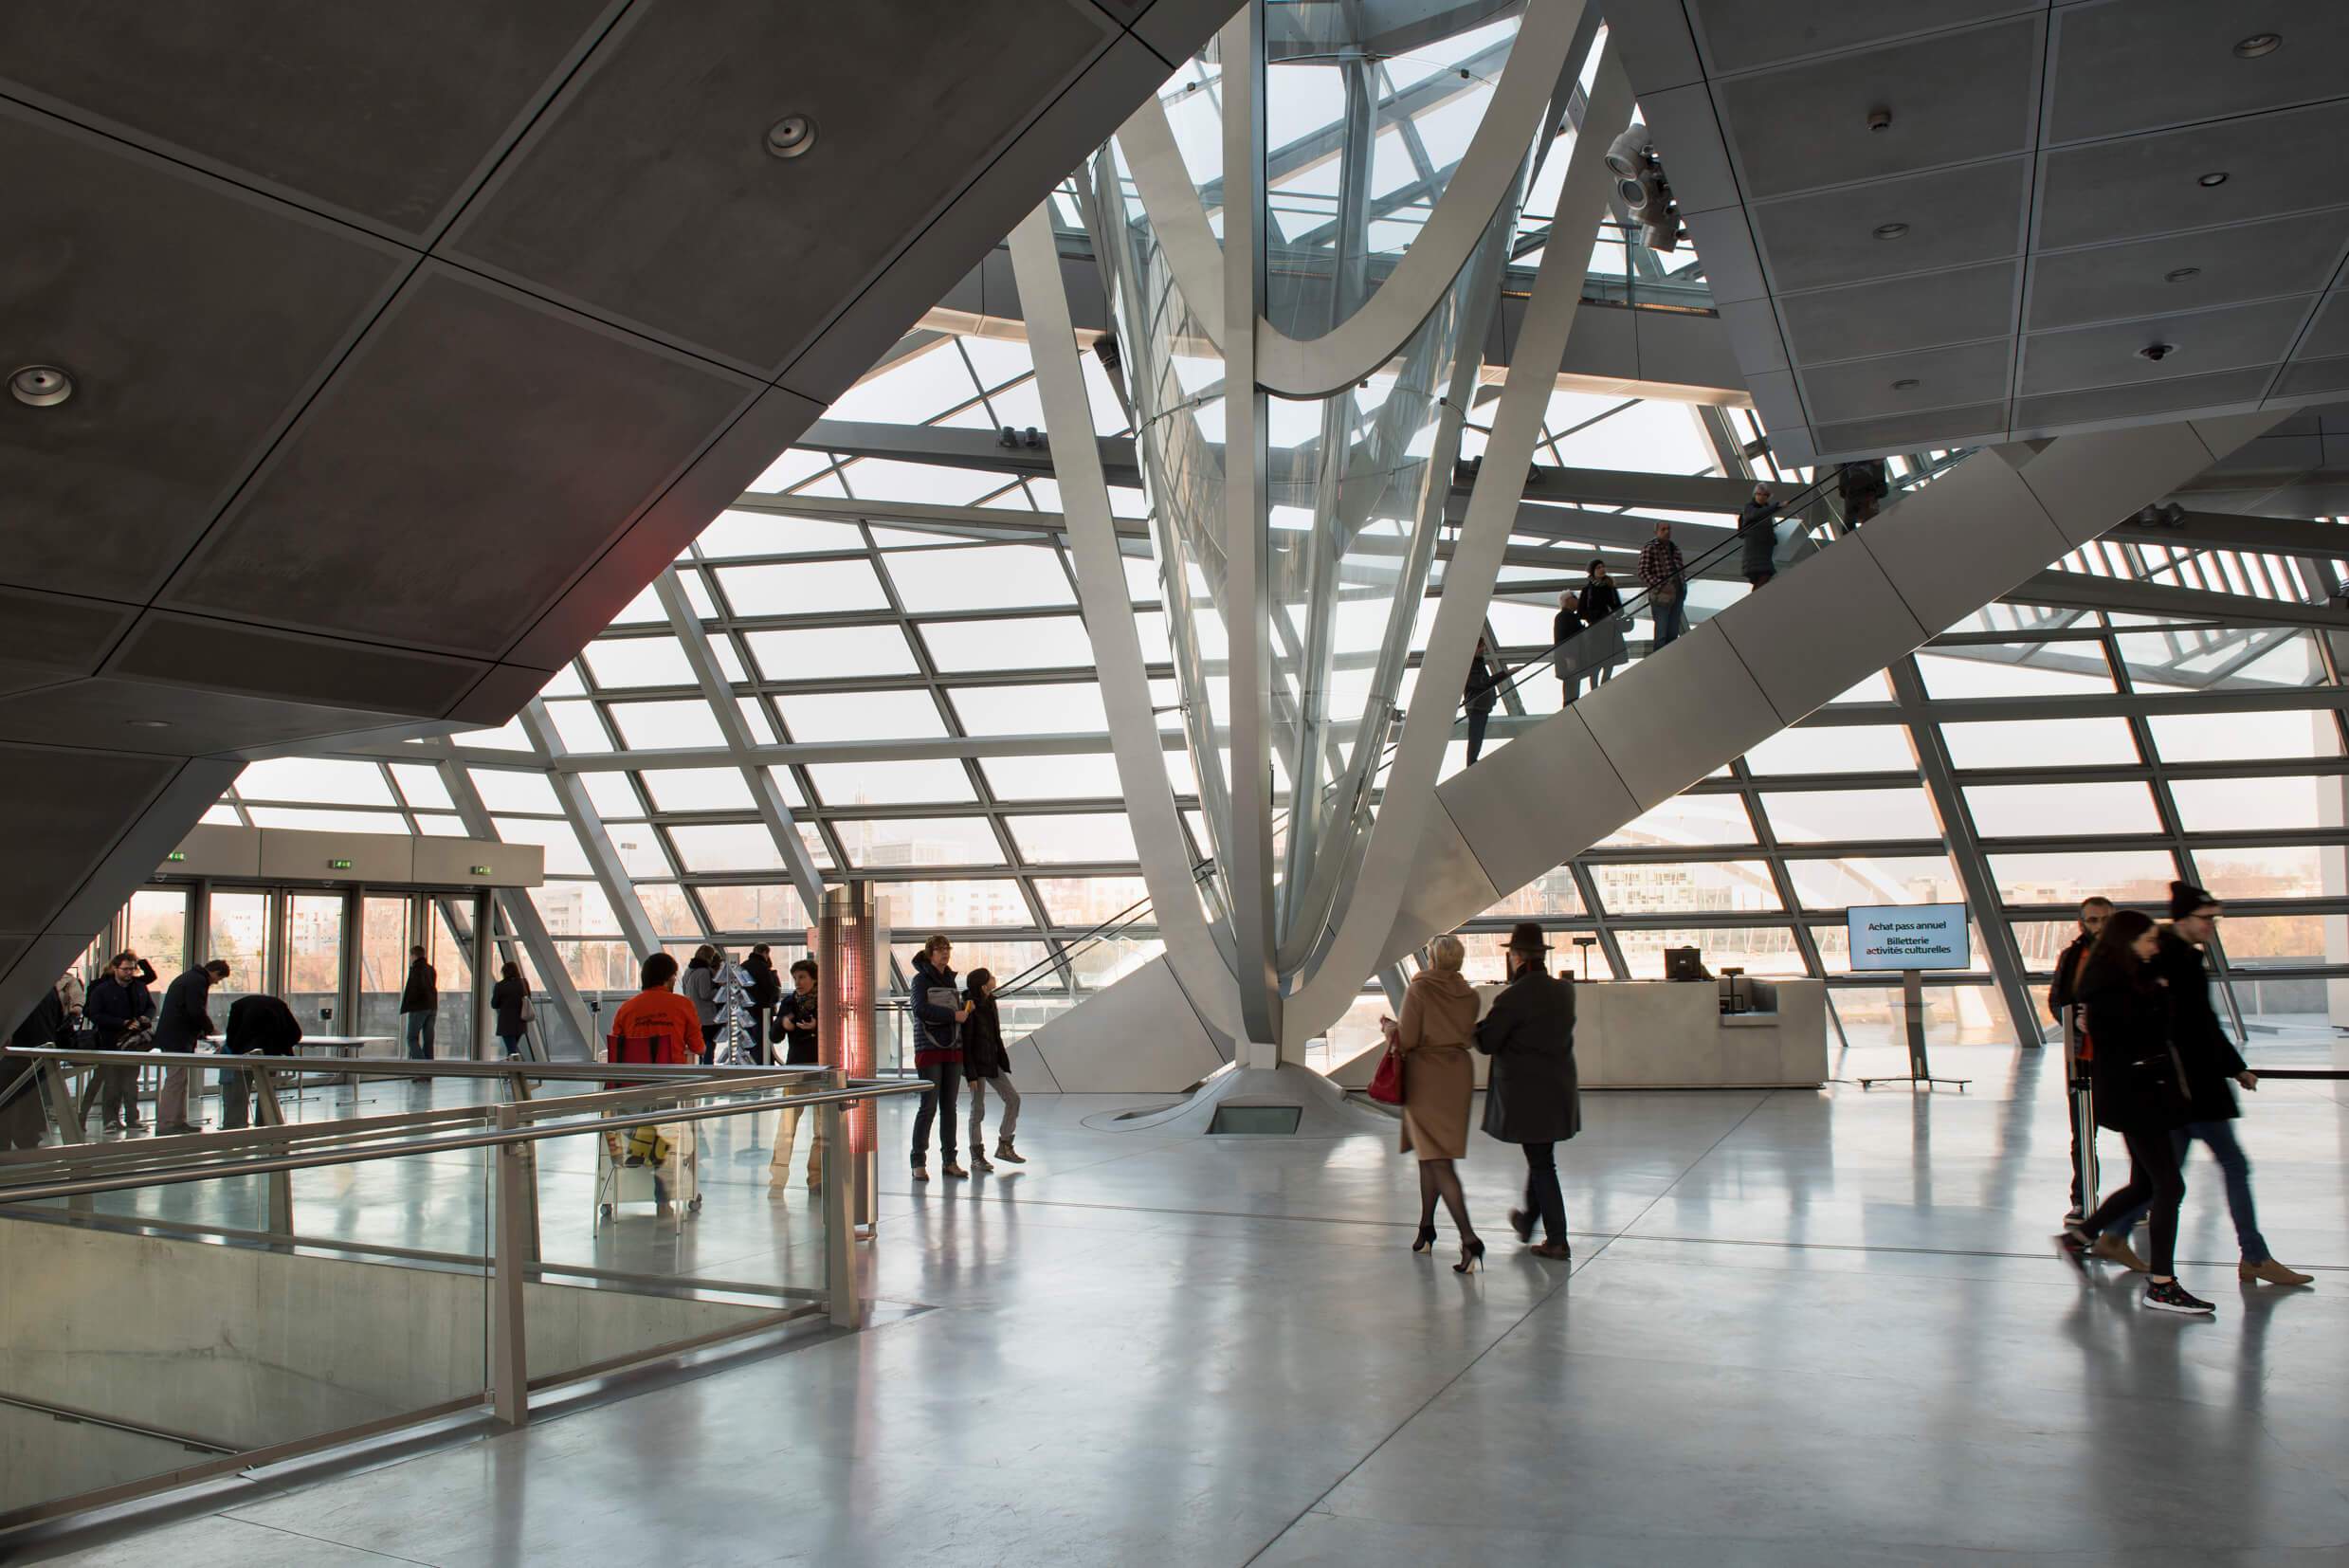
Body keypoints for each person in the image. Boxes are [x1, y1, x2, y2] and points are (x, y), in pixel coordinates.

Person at [2147, 883, 2311, 1287]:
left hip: (2179, 1088)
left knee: (2164, 1179)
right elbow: (2198, 1025)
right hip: (2195, 1090)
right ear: (2184, 918)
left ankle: (2106, 1234)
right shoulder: (2177, 961)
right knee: (2230, 1167)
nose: (2212, 926)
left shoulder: (2174, 956)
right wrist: (2234, 1066)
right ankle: (2253, 1256)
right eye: (2206, 919)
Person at [2055, 910, 2209, 1313]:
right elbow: (2137, 1036)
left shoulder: (2132, 976)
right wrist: (2158, 993)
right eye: (2148, 940)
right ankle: (2162, 1283)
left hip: (2146, 1094)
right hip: (2136, 1098)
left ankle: (2081, 1237)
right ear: (2127, 943)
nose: (2154, 947)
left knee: (2146, 1184)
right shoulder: (2109, 989)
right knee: (2169, 1186)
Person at [1475, 921, 1579, 1266]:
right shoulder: (1565, 991)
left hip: (1528, 1098)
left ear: (1516, 957)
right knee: (1541, 1157)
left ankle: (1558, 1240)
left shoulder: (1513, 997)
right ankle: (1527, 1221)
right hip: (1558, 1091)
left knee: (1542, 1164)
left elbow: (1487, 1042)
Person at [1379, 933, 1481, 1272]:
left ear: (1432, 959)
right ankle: (1426, 1227)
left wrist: (1390, 1028)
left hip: (1427, 1076)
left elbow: (1407, 1039)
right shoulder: (1469, 995)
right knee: (1431, 1154)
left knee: (1439, 1161)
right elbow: (1467, 1036)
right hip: (1458, 1074)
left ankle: (1469, 1239)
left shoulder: (1420, 989)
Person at [606, 952, 703, 1217]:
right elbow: (698, 1046)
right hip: (669, 1083)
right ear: (671, 977)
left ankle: (638, 1143)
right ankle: (663, 1201)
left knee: (645, 1120)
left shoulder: (627, 1008)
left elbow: (618, 1045)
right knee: (667, 1133)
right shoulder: (682, 1005)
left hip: (631, 1088)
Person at [2048, 896, 2115, 1231]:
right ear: (2082, 922)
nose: (2098, 926)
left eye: (2103, 920)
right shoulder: (2072, 957)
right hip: (2081, 1058)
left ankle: (2138, 1198)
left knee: (2138, 1133)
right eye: (2092, 920)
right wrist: (2074, 1020)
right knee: (2083, 1134)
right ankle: (2082, 1198)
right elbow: (2057, 1000)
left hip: (2118, 1058)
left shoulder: (2127, 957)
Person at [908, 935, 970, 1181]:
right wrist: (952, 1015)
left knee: (950, 1107)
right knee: (928, 1106)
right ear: (930, 953)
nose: (945, 953)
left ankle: (950, 1160)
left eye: (947, 949)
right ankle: (918, 1161)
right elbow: (919, 1008)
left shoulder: (950, 980)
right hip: (929, 1048)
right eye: (939, 949)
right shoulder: (920, 980)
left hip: (953, 1047)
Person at [153, 957, 229, 1135]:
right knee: (175, 1081)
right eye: (219, 978)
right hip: (177, 1039)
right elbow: (196, 1011)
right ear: (215, 972)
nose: (217, 982)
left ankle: (178, 1120)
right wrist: (210, 1029)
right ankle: (167, 1123)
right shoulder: (198, 981)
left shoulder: (190, 978)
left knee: (179, 1081)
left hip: (175, 1037)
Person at [770, 958, 825, 1192]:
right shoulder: (789, 1002)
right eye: (795, 978)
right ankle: (777, 1179)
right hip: (796, 1069)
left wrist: (816, 1027)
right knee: (786, 1127)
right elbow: (774, 1037)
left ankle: (816, 1179)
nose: (798, 982)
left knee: (822, 1130)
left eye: (802, 977)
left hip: (822, 1070)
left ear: (815, 979)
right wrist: (783, 1023)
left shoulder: (825, 1002)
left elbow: (838, 1029)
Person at [85, 952, 156, 1132]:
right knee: (112, 1083)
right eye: (125, 969)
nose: (129, 973)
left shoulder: (139, 987)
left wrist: (144, 1018)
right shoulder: (102, 989)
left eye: (132, 969)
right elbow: (95, 1014)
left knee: (131, 1083)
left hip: (134, 1043)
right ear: (115, 969)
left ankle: (133, 1119)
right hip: (110, 1041)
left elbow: (151, 1006)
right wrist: (122, 1022)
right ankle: (111, 1120)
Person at [961, 968, 1023, 1171]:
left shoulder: (990, 1001)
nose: (994, 979)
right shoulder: (970, 1005)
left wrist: (1001, 1057)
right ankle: (976, 1156)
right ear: (983, 984)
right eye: (990, 977)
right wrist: (970, 1073)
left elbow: (995, 1034)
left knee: (1013, 1098)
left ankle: (1005, 1146)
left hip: (991, 1060)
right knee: (977, 1109)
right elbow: (966, 1042)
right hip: (976, 1064)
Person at [219, 989, 302, 1131]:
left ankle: (234, 1124)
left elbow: (231, 1032)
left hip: (244, 1053)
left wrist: (234, 1049)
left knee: (240, 1089)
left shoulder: (238, 1006)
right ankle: (265, 1122)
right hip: (271, 1053)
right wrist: (283, 1046)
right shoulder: (279, 1004)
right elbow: (295, 1033)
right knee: (267, 1090)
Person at [4, 981, 70, 1149]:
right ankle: (27, 1137)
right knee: (30, 1099)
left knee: (10, 1100)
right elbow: (58, 1020)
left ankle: (9, 1139)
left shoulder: (14, 990)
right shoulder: (48, 989)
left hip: (16, 1055)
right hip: (41, 1053)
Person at [1636, 520, 1687, 649]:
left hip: (1678, 594)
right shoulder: (1651, 547)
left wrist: (1683, 587)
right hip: (1661, 597)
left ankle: (1669, 658)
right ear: (1656, 532)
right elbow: (1643, 572)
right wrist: (1661, 586)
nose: (1667, 531)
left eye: (1668, 529)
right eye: (1663, 529)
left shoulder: (1674, 548)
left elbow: (1680, 569)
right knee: (1662, 633)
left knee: (1673, 632)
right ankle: (1661, 660)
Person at [1576, 559, 1623, 694]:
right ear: (1593, 571)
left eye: (1603, 566)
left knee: (1609, 661)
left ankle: (1604, 687)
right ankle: (1596, 690)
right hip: (1596, 630)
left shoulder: (1610, 587)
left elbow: (1620, 609)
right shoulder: (1588, 590)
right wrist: (1599, 615)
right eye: (1598, 568)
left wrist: (1611, 614)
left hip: (1609, 628)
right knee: (1596, 663)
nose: (1602, 569)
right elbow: (1581, 612)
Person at [399, 946, 437, 1079]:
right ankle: (430, 1071)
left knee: (411, 1038)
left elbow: (414, 989)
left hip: (419, 1007)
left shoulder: (416, 969)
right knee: (428, 1040)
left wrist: (408, 1005)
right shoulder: (431, 969)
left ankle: (423, 1070)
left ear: (413, 955)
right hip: (432, 1006)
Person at [1463, 637, 1500, 764]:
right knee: (1476, 737)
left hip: (1481, 706)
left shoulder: (1478, 663)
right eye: (1481, 646)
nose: (1483, 648)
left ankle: (1472, 762)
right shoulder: (1471, 664)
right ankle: (1471, 763)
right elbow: (1482, 683)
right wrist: (1505, 673)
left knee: (1477, 737)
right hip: (1476, 706)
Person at [743, 943, 781, 1067]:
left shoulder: (743, 966)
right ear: (765, 953)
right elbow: (770, 988)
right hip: (762, 1010)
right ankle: (764, 1065)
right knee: (763, 1040)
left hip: (745, 1011)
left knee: (749, 1039)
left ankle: (750, 1064)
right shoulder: (763, 968)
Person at [683, 944, 720, 1064]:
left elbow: (685, 991)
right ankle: (708, 1069)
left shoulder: (688, 970)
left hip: (694, 1014)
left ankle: (700, 1068)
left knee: (698, 1045)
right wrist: (720, 990)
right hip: (706, 1016)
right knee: (709, 1045)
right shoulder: (704, 972)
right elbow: (705, 994)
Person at [1739, 483, 1778, 591]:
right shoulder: (1750, 508)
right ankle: (1752, 603)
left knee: (1762, 577)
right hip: (1755, 550)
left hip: (1762, 551)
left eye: (1765, 495)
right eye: (1759, 494)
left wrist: (1772, 539)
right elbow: (1756, 514)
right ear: (1755, 495)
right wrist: (1776, 507)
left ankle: (1752, 603)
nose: (1762, 497)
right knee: (1765, 575)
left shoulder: (1765, 510)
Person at [490, 961, 531, 1059]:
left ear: (504, 972)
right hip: (520, 1022)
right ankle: (512, 1070)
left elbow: (494, 1004)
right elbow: (528, 997)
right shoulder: (523, 983)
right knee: (512, 1049)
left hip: (506, 1024)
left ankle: (517, 1071)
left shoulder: (500, 986)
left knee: (512, 1051)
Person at [1550, 593, 1584, 706]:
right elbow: (1561, 638)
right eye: (1575, 598)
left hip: (1571, 659)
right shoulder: (1563, 616)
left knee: (1573, 688)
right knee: (1571, 689)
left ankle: (1570, 710)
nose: (1577, 600)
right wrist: (1569, 658)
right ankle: (1570, 711)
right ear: (1568, 600)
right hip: (1569, 659)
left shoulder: (1569, 616)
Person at [1838, 458, 1887, 525]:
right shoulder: (1881, 492)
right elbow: (1879, 467)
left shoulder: (1850, 497)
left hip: (1848, 460)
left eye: (1875, 511)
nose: (1877, 507)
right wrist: (1878, 461)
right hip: (1868, 457)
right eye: (1877, 510)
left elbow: (1846, 476)